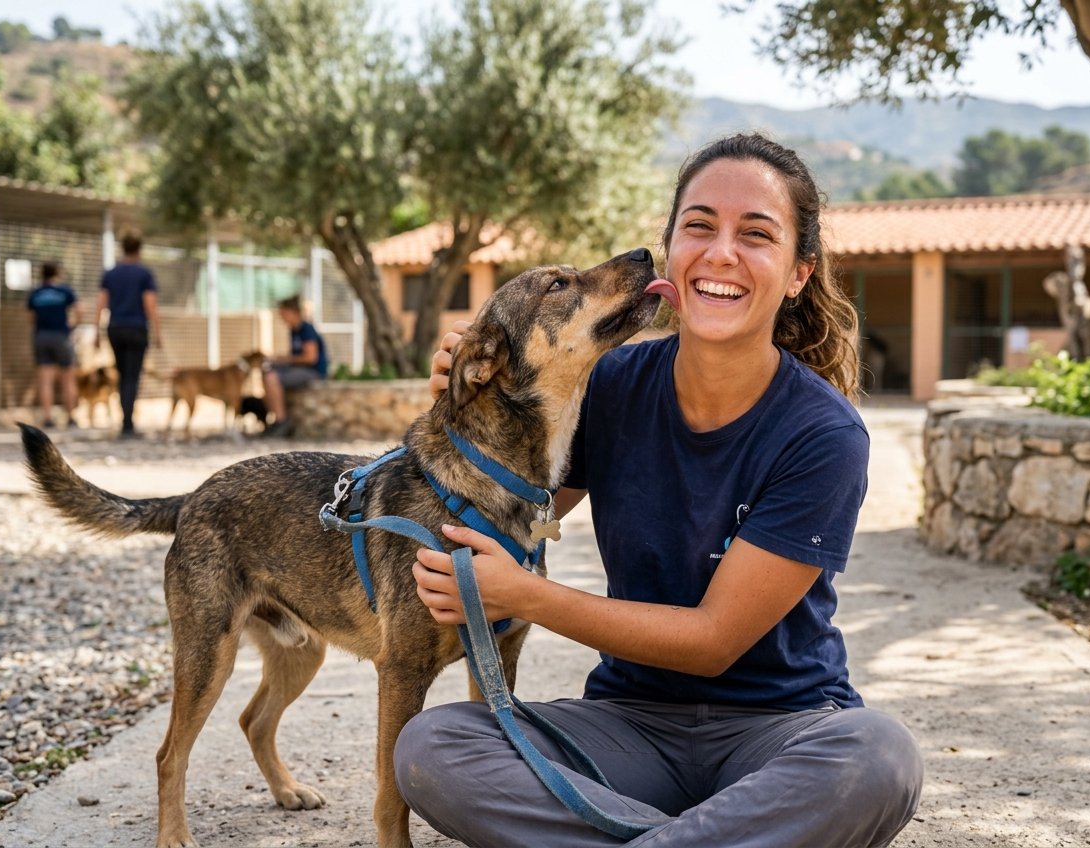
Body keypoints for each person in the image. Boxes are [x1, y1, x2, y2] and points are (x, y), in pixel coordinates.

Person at [396, 133, 924, 847]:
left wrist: (526, 597)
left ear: (798, 274)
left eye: (757, 235)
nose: (721, 253)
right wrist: (477, 411)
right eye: (699, 226)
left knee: (878, 757)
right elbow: (505, 516)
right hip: (627, 729)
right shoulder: (608, 385)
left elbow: (711, 642)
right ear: (670, 249)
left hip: (780, 733)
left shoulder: (821, 435)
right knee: (435, 746)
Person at [96, 230, 161, 439]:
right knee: (132, 376)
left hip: (115, 328)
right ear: (139, 249)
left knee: (123, 375)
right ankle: (127, 425)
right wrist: (157, 332)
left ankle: (125, 421)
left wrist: (96, 331)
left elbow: (101, 303)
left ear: (122, 248)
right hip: (136, 329)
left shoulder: (111, 273)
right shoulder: (144, 274)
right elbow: (150, 305)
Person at [260, 295, 327, 438]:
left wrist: (284, 359)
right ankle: (274, 419)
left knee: (272, 376)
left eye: (283, 313)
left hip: (314, 372)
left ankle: (281, 421)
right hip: (301, 369)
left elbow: (310, 358)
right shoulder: (294, 330)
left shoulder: (306, 329)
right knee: (267, 372)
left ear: (293, 312)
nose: (281, 316)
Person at [26, 260, 82, 429]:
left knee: (45, 380)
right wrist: (72, 325)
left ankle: (48, 418)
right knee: (68, 378)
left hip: (41, 336)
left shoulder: (36, 293)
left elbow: (30, 318)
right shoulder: (64, 291)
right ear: (57, 272)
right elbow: (80, 310)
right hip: (61, 336)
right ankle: (71, 417)